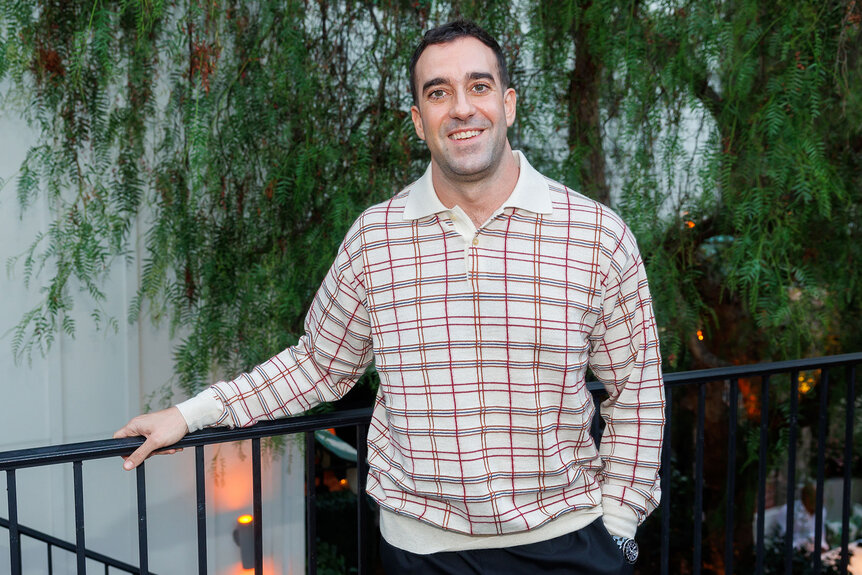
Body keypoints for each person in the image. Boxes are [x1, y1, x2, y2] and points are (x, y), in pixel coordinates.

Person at [115, 20, 665, 574]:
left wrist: (618, 529)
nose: (461, 108)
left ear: (509, 103)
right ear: (418, 122)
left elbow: (637, 394)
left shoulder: (596, 234)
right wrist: (190, 415)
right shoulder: (375, 238)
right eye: (438, 92)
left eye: (479, 86)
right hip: (420, 553)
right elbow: (317, 365)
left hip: (566, 544)